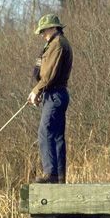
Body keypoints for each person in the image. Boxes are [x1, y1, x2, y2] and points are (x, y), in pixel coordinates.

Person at [28, 14, 73, 184]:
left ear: (53, 27)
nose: (42, 34)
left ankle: (51, 174)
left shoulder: (58, 44)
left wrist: (36, 90)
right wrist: (39, 92)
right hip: (53, 94)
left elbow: (49, 74)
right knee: (55, 136)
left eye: (44, 30)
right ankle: (59, 178)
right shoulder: (53, 44)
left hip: (55, 94)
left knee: (45, 131)